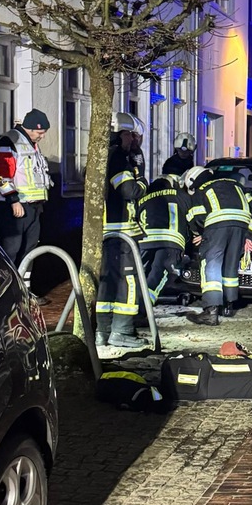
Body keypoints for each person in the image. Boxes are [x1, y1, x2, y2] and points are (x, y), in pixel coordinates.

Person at [97, 113, 149, 348]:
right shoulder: (118, 157)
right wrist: (142, 181)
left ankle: (103, 330)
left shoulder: (103, 155)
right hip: (122, 230)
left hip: (107, 229)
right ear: (121, 134)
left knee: (108, 281)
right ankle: (122, 330)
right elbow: (129, 191)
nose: (133, 140)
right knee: (128, 281)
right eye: (130, 135)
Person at [184, 164, 252, 325]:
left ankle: (211, 311)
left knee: (211, 265)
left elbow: (196, 216)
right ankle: (229, 306)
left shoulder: (201, 189)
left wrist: (200, 233)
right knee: (230, 264)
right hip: (242, 225)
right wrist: (251, 235)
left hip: (217, 226)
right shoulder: (235, 184)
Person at [0, 109, 53, 268]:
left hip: (33, 207)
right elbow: (0, 175)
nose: (43, 136)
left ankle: (25, 283)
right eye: (40, 132)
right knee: (11, 249)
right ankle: (8, 281)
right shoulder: (8, 141)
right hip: (16, 206)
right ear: (30, 128)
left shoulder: (32, 144)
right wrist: (13, 200)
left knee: (30, 250)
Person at [137, 173, 191, 307]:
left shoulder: (144, 198)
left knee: (139, 273)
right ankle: (144, 307)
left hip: (144, 241)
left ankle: (133, 304)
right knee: (159, 274)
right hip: (170, 241)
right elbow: (192, 216)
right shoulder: (180, 195)